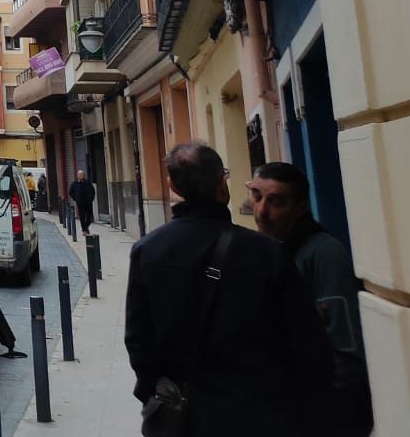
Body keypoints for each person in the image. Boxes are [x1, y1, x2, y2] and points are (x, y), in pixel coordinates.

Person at [124, 142, 332, 436]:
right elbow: (308, 344)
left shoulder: (146, 251)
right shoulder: (267, 252)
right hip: (260, 414)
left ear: (171, 185)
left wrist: (157, 393)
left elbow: (138, 341)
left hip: (187, 418)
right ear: (223, 183)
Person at [249, 162, 374, 437]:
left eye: (275, 202)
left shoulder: (323, 254)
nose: (261, 211)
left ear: (301, 208)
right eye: (257, 197)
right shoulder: (274, 249)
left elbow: (345, 348)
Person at [68, 168, 96, 234]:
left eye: (82, 174)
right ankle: (84, 230)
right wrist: (76, 199)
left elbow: (93, 191)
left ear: (84, 175)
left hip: (88, 202)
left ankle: (85, 228)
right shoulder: (75, 183)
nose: (81, 176)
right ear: (77, 175)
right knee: (82, 217)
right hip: (80, 203)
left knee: (89, 218)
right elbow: (70, 192)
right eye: (79, 175)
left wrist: (91, 198)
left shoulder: (88, 183)